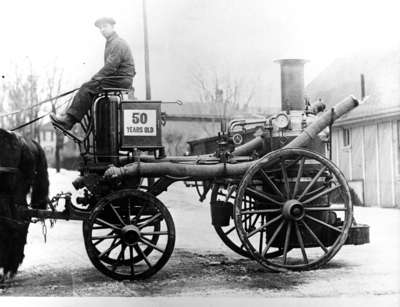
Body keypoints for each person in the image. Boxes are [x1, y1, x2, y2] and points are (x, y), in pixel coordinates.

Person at [50, 17, 135, 130]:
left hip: (121, 79)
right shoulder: (111, 43)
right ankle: (73, 119)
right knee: (89, 87)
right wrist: (96, 79)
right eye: (100, 28)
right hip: (118, 78)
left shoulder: (118, 43)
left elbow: (110, 67)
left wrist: (95, 78)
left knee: (87, 87)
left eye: (105, 26)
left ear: (112, 27)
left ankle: (68, 120)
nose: (102, 30)